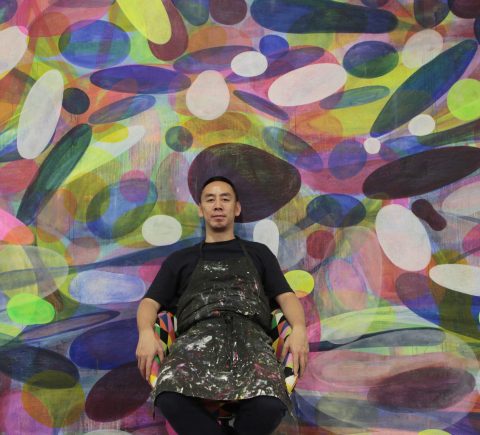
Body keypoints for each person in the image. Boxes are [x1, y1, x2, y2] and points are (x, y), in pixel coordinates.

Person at [136, 176, 308, 435]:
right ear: (201, 209)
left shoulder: (259, 253)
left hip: (252, 343)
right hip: (194, 344)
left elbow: (286, 297)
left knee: (271, 403)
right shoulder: (180, 259)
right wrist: (146, 333)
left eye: (225, 199)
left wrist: (300, 329)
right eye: (210, 199)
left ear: (236, 208)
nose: (218, 205)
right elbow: (150, 302)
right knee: (168, 394)